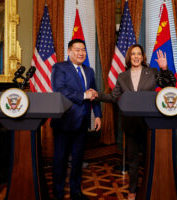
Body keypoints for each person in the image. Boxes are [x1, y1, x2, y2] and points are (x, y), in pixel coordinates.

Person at [91, 44, 176, 200]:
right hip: (130, 124)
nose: (136, 57)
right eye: (133, 54)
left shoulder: (152, 72)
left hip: (149, 124)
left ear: (142, 57)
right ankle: (132, 190)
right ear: (129, 57)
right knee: (133, 161)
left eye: (139, 54)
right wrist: (97, 95)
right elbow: (113, 97)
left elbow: (168, 86)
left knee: (151, 159)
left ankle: (151, 187)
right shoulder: (122, 76)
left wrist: (164, 68)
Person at [50, 39, 102, 200]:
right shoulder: (59, 68)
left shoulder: (89, 71)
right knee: (60, 160)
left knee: (78, 159)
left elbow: (94, 93)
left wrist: (98, 115)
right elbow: (60, 89)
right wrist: (83, 95)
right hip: (64, 122)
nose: (81, 53)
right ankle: (58, 193)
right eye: (78, 49)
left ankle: (76, 192)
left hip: (82, 122)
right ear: (69, 52)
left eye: (83, 50)